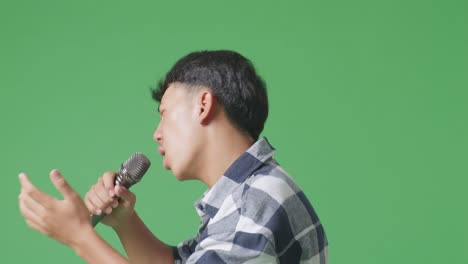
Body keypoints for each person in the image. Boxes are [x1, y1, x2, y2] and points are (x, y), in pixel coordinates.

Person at [18, 50, 328, 263]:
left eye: (164, 114)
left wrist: (79, 237)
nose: (157, 133)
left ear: (203, 105)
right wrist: (125, 222)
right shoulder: (249, 193)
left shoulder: (254, 203)